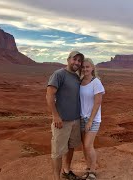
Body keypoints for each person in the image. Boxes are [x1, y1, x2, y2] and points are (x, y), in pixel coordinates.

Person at [46, 51, 84, 180]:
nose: (77, 63)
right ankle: (57, 178)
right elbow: (49, 95)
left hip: (75, 120)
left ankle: (66, 171)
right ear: (68, 59)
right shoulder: (59, 74)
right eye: (75, 59)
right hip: (62, 121)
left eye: (79, 61)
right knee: (57, 151)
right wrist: (56, 116)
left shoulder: (76, 77)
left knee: (71, 146)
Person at [80, 58, 105, 180]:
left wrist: (90, 120)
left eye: (87, 67)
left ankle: (93, 171)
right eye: (83, 67)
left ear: (92, 68)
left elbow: (97, 103)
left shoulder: (96, 82)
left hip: (93, 119)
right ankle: (88, 168)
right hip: (81, 118)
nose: (85, 69)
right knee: (84, 146)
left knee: (88, 145)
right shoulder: (79, 82)